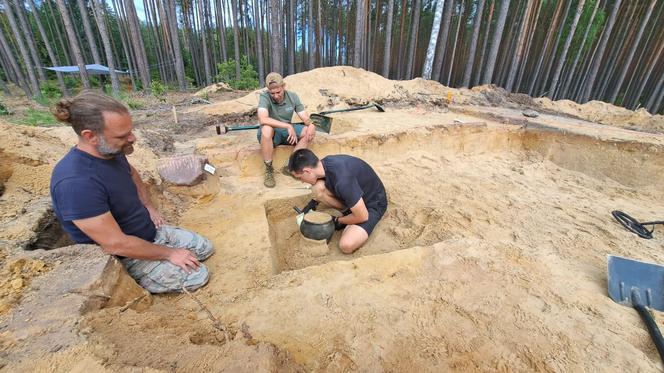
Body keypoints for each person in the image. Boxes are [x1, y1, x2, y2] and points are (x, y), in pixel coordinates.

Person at [49, 91, 214, 293]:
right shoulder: (76, 183)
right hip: (128, 254)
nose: (133, 138)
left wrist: (148, 206)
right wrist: (169, 254)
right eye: (123, 135)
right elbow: (115, 244)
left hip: (149, 233)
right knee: (199, 275)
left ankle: (164, 249)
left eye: (131, 131)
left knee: (205, 248)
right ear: (90, 136)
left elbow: (132, 174)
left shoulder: (111, 152)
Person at [288, 149, 387, 254]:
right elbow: (325, 183)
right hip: (355, 197)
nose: (302, 181)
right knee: (318, 188)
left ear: (308, 171)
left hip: (372, 204)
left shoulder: (343, 181)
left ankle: (350, 219)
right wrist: (313, 202)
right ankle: (350, 214)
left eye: (300, 178)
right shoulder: (324, 164)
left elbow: (363, 216)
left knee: (346, 245)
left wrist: (336, 221)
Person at [257, 72, 316, 188]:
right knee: (266, 129)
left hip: (286, 133)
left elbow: (304, 117)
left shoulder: (293, 96)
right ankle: (269, 169)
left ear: (284, 86)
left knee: (307, 132)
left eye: (278, 92)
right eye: (272, 93)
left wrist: (311, 124)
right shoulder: (264, 97)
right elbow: (263, 119)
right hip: (272, 134)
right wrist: (288, 126)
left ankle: (290, 166)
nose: (275, 96)